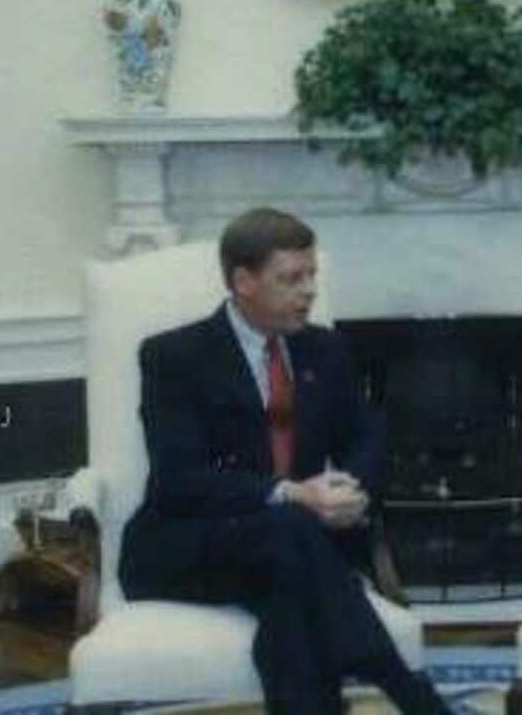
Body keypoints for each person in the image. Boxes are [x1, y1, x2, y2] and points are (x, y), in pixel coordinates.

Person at [118, 207, 448, 714]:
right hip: (186, 542)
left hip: (288, 547)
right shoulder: (175, 357)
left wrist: (350, 491)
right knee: (291, 528)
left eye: (312, 275)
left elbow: (367, 434)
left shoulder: (325, 349)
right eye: (292, 279)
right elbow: (178, 479)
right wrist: (292, 493)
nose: (309, 291)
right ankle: (406, 688)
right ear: (243, 282)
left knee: (290, 598)